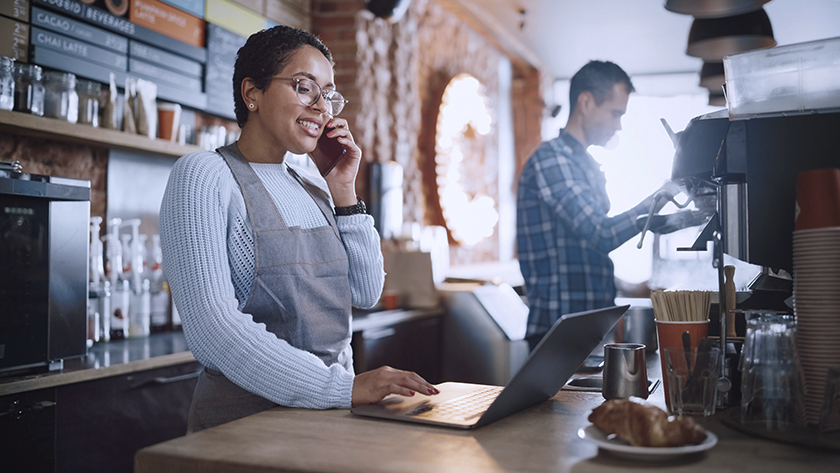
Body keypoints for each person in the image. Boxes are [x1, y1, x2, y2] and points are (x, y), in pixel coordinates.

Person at [159, 25, 438, 433]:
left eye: (327, 95)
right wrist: (340, 389)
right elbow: (213, 332)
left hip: (329, 420)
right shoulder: (204, 175)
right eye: (305, 88)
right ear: (251, 92)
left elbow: (365, 291)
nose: (323, 108)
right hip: (245, 429)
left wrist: (344, 191)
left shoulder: (314, 187)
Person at [516, 60, 684, 349]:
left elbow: (582, 253)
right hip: (558, 332)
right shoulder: (552, 159)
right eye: (615, 113)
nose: (618, 125)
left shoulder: (586, 165)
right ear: (586, 102)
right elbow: (601, 234)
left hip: (588, 325)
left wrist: (629, 285)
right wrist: (656, 200)